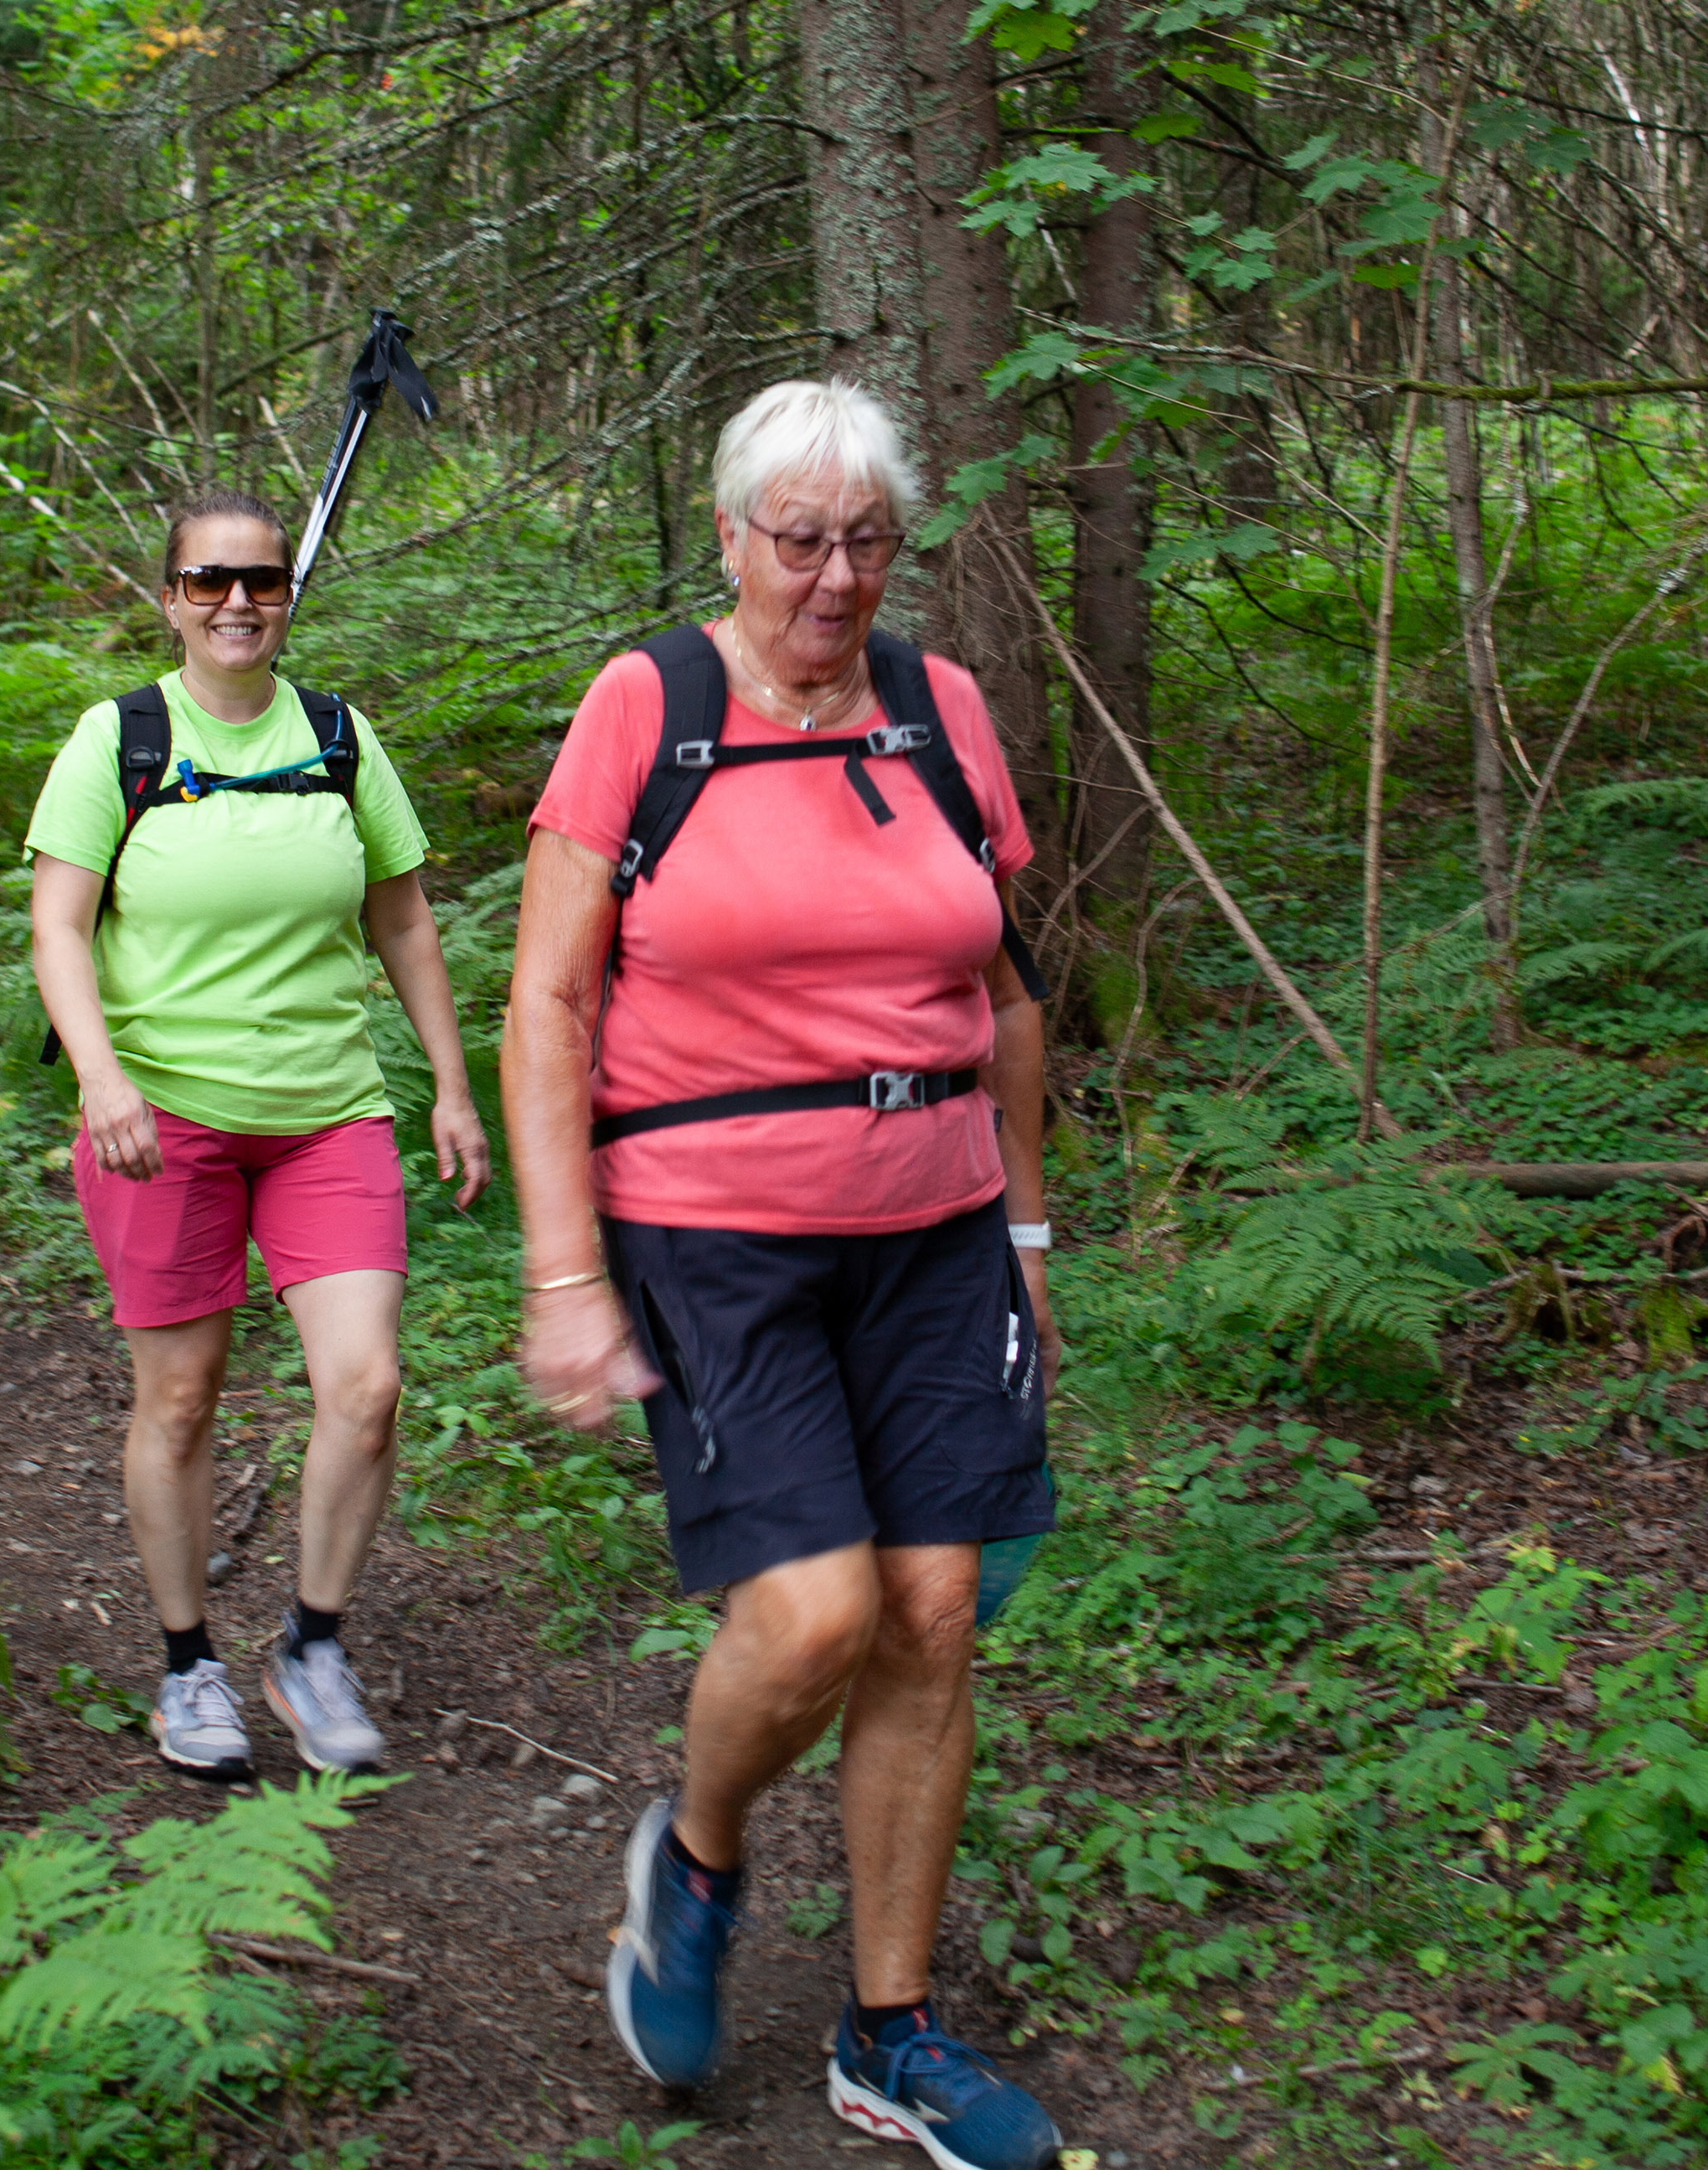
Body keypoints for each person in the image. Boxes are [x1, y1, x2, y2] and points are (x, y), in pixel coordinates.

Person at [501, 381, 1066, 2170]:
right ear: (728, 531)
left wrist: (1029, 1231)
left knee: (932, 1611)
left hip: (935, 1219)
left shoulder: (937, 706)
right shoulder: (642, 707)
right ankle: (696, 1854)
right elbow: (548, 1003)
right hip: (712, 1224)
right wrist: (562, 1270)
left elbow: (1002, 994)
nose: (831, 578)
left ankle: (888, 2032)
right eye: (796, 538)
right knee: (813, 1612)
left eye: (866, 541)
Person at [27, 488, 489, 1780]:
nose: (240, 603)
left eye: (264, 581)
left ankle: (313, 1645)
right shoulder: (116, 740)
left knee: (369, 1388)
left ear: (290, 593)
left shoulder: (340, 737)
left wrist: (452, 1086)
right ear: (168, 598)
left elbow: (402, 919)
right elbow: (59, 923)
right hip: (159, 1119)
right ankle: (188, 1669)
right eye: (210, 582)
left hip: (326, 1116)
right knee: (178, 1404)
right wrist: (103, 1076)